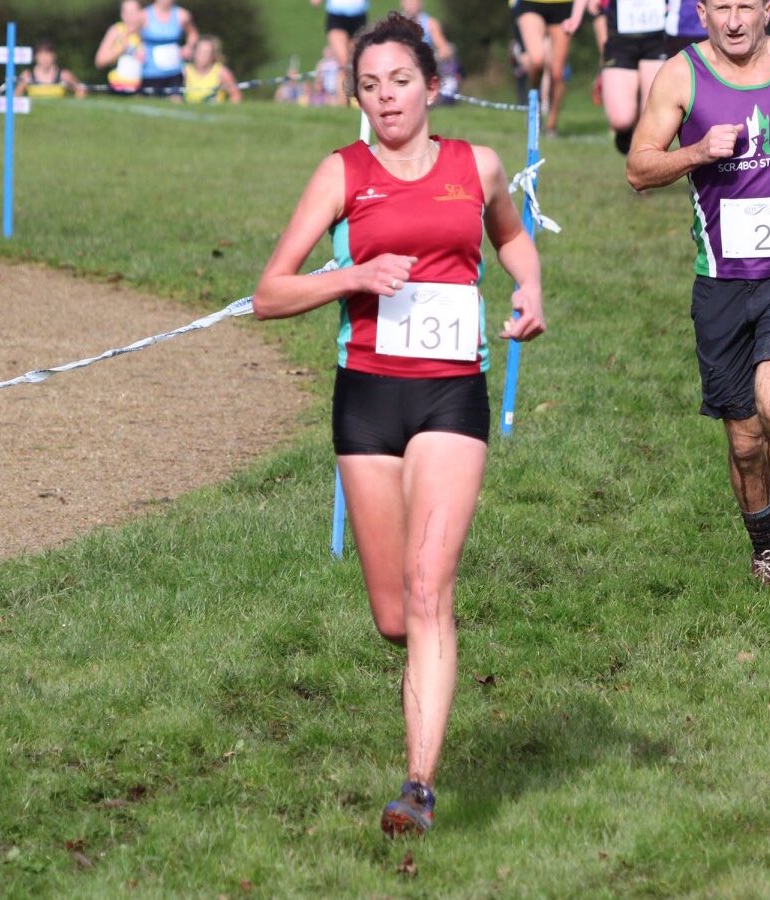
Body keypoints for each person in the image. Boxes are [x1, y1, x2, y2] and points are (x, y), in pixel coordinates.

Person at [252, 12, 546, 834]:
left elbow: (514, 240)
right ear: (357, 94)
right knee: (395, 614)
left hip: (451, 393)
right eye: (371, 85)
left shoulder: (475, 165)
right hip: (367, 397)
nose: (387, 98)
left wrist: (529, 288)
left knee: (428, 587)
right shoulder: (341, 173)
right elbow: (269, 292)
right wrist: (350, 273)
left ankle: (417, 788)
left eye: (401, 82)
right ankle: (426, 648)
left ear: (431, 85)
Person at [626, 0, 770, 595]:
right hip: (720, 283)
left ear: (769, 7)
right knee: (745, 443)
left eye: (747, 5)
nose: (735, 20)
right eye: (722, 7)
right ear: (702, 11)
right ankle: (763, 544)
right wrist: (696, 152)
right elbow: (639, 169)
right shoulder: (681, 74)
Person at [564, 0, 667, 153]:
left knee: (652, 119)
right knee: (620, 119)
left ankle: (645, 155)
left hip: (658, 37)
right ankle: (627, 132)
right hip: (619, 37)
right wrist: (575, 17)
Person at [510, 0, 576, 136]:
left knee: (558, 72)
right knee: (537, 59)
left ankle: (551, 125)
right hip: (531, 4)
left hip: (563, 5)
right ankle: (534, 101)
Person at [310, 0, 369, 105]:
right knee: (343, 63)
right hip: (337, 17)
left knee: (355, 62)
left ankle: (360, 104)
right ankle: (342, 105)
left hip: (359, 17)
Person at [138, 0, 198, 100]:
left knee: (176, 102)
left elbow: (193, 34)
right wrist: (138, 48)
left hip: (174, 70)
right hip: (150, 71)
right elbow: (130, 33)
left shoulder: (182, 15)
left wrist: (189, 47)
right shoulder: (143, 15)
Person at [94, 0, 145, 95]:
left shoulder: (147, 32)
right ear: (122, 14)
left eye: (134, 12)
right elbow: (99, 61)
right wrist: (121, 49)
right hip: (118, 88)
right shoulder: (116, 31)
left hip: (143, 88)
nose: (130, 16)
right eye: (127, 12)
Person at [15, 39, 87, 99]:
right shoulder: (27, 75)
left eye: (48, 54)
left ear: (54, 56)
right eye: (41, 55)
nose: (45, 58)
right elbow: (15, 97)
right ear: (35, 56)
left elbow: (81, 90)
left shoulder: (64, 75)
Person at [183, 36, 242, 103]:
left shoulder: (222, 72)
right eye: (199, 51)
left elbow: (236, 96)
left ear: (213, 56)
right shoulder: (185, 71)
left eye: (206, 53)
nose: (202, 56)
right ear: (194, 53)